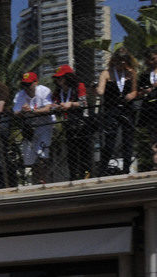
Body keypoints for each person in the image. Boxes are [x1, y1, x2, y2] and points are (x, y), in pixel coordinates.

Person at [97, 47, 139, 175]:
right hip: (112, 109)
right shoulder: (107, 73)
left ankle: (126, 169)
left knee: (128, 140)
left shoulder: (131, 72)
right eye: (119, 61)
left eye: (124, 61)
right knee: (110, 140)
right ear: (114, 60)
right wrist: (96, 89)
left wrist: (132, 95)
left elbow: (134, 91)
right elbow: (100, 91)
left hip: (127, 109)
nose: (121, 64)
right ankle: (102, 170)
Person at [13, 71, 55, 184]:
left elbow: (48, 108)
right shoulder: (20, 95)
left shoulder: (44, 91)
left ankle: (43, 180)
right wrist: (22, 111)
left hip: (45, 125)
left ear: (36, 82)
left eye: (29, 84)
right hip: (30, 128)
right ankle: (35, 181)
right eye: (24, 85)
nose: (26, 87)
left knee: (42, 154)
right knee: (30, 159)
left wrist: (32, 111)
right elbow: (15, 112)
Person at [50, 65, 90, 181]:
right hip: (68, 124)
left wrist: (71, 104)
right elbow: (52, 104)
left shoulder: (79, 86)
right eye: (56, 79)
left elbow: (83, 103)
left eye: (60, 78)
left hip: (81, 122)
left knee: (83, 150)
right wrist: (56, 107)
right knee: (71, 152)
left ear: (68, 77)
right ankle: (73, 176)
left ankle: (86, 174)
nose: (58, 81)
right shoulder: (58, 91)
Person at [138, 45, 157, 167]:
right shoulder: (145, 75)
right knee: (154, 141)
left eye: (154, 58)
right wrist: (146, 91)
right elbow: (139, 91)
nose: (152, 62)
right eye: (150, 60)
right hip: (151, 110)